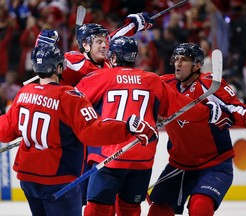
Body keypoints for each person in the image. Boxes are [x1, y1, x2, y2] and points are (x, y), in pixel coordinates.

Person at [75, 36, 233, 216]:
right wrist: (209, 112)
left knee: (97, 209)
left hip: (110, 156)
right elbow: (181, 107)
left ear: (113, 57)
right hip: (141, 159)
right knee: (130, 209)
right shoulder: (152, 80)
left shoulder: (99, 76)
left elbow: (72, 101)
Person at [0, 44, 157, 216]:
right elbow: (93, 132)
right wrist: (127, 127)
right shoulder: (69, 96)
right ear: (59, 67)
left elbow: (6, 131)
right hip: (58, 180)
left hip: (28, 179)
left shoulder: (24, 93)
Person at [147, 43, 246, 216]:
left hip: (214, 164)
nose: (178, 64)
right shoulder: (164, 83)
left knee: (200, 207)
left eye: (184, 60)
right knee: (157, 210)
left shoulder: (208, 83)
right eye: (177, 59)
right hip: (179, 164)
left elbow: (235, 108)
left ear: (197, 65)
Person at [34, 12, 154, 86]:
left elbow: (113, 37)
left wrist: (135, 24)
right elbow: (49, 60)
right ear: (85, 45)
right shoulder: (76, 61)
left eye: (104, 42)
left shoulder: (106, 62)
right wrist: (43, 46)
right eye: (99, 42)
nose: (104, 45)